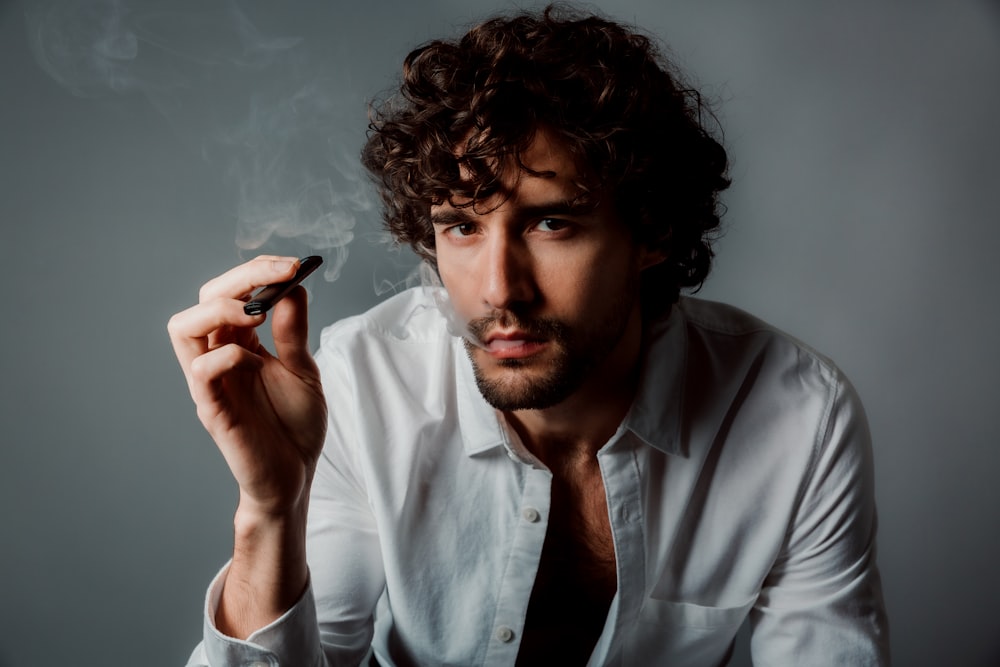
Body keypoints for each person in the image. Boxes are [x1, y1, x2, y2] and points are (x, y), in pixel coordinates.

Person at [170, 6, 889, 666]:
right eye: (461, 226)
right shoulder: (361, 385)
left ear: (654, 230)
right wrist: (270, 507)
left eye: (552, 223)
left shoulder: (798, 419)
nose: (498, 288)